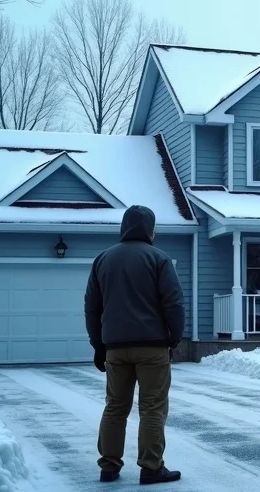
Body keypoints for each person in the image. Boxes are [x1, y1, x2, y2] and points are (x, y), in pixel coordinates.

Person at [84, 205, 186, 485]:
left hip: (115, 347)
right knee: (152, 407)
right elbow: (174, 303)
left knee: (115, 406)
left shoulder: (103, 259)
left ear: (124, 227)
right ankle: (151, 468)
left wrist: (98, 345)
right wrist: (174, 337)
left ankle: (109, 466)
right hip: (152, 346)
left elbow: (92, 307)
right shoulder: (159, 259)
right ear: (151, 230)